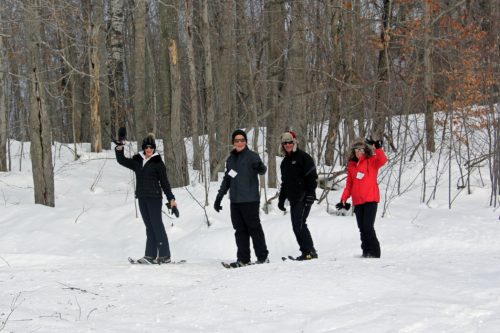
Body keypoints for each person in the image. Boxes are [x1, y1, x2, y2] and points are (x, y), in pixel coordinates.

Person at [115, 133, 178, 264]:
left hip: (154, 198)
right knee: (149, 226)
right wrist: (120, 147)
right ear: (144, 148)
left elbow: (165, 183)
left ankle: (165, 255)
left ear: (154, 148)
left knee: (157, 225)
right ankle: (150, 255)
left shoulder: (158, 163)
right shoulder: (138, 161)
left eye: (151, 147)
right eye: (147, 147)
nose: (149, 149)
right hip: (142, 197)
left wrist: (171, 199)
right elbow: (122, 161)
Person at [214, 129, 269, 267]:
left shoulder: (252, 156)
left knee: (254, 229)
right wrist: (219, 197)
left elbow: (262, 170)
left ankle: (263, 257)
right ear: (233, 143)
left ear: (245, 142)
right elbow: (227, 179)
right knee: (240, 231)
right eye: (236, 140)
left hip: (250, 200)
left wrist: (260, 167)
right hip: (236, 201)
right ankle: (243, 259)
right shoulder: (231, 159)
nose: (239, 143)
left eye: (242, 140)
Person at [338, 138, 388, 258]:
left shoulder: (371, 161)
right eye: (356, 150)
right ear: (353, 151)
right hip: (358, 201)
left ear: (365, 151)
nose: (359, 152)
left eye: (361, 149)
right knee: (361, 228)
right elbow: (349, 184)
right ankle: (366, 252)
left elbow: (383, 160)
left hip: (371, 199)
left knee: (368, 226)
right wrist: (343, 199)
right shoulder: (351, 165)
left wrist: (378, 148)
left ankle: (375, 253)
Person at [277, 131, 318, 260]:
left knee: (300, 224)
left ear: (294, 143)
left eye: (290, 142)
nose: (288, 145)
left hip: (304, 196)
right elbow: (285, 183)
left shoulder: (304, 157)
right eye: (285, 143)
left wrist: (311, 193)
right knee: (296, 226)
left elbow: (312, 177)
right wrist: (281, 199)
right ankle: (306, 252)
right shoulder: (284, 162)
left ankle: (310, 252)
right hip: (293, 199)